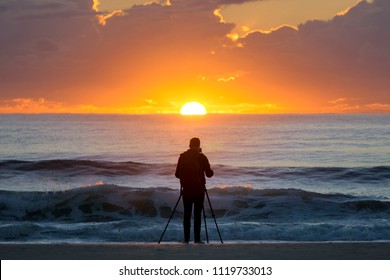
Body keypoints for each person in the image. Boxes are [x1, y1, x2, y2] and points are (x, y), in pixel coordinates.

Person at [175, 137, 214, 243]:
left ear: (189, 145)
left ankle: (186, 239)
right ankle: (197, 239)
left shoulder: (182, 157)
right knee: (197, 215)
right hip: (199, 190)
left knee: (186, 215)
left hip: (186, 190)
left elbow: (177, 174)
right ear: (199, 145)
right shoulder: (202, 157)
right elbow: (209, 174)